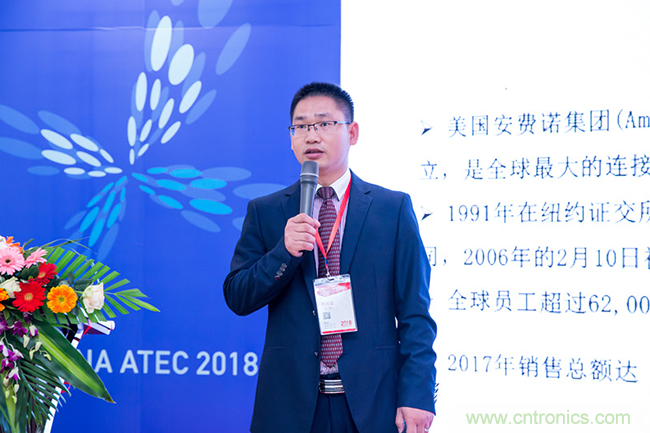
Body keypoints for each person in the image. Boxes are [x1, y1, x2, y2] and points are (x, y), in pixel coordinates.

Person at [223, 82, 437, 433]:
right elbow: (238, 296)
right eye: (301, 126)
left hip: (372, 403)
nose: (312, 135)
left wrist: (417, 394)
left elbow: (416, 312)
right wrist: (283, 252)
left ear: (352, 133)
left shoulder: (392, 209)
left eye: (324, 123)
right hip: (289, 407)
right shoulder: (266, 212)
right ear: (291, 137)